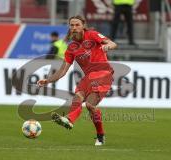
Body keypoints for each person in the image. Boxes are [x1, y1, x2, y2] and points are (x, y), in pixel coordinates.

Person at [37, 15, 117, 146]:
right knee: (80, 98)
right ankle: (95, 133)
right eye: (72, 25)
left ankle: (72, 121)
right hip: (89, 77)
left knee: (90, 105)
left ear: (83, 26)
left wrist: (107, 46)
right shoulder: (71, 48)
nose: (74, 27)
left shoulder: (92, 35)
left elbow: (113, 44)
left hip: (104, 73)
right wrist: (48, 80)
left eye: (77, 25)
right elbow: (63, 70)